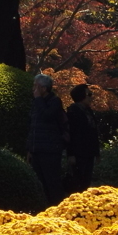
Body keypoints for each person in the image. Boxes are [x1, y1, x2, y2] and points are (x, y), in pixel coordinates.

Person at [27, 73, 69, 204]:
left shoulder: (55, 101)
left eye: (36, 86)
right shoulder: (35, 103)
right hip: (36, 148)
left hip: (50, 149)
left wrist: (38, 99)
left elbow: (47, 116)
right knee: (39, 182)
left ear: (44, 88)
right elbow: (32, 126)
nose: (33, 88)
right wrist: (29, 148)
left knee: (52, 181)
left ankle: (57, 207)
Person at [65, 84, 100, 195]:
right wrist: (71, 154)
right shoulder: (73, 112)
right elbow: (71, 134)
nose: (91, 97)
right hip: (79, 153)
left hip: (89, 152)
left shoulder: (88, 111)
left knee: (86, 181)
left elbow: (93, 133)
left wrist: (96, 152)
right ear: (81, 96)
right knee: (77, 182)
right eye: (88, 94)